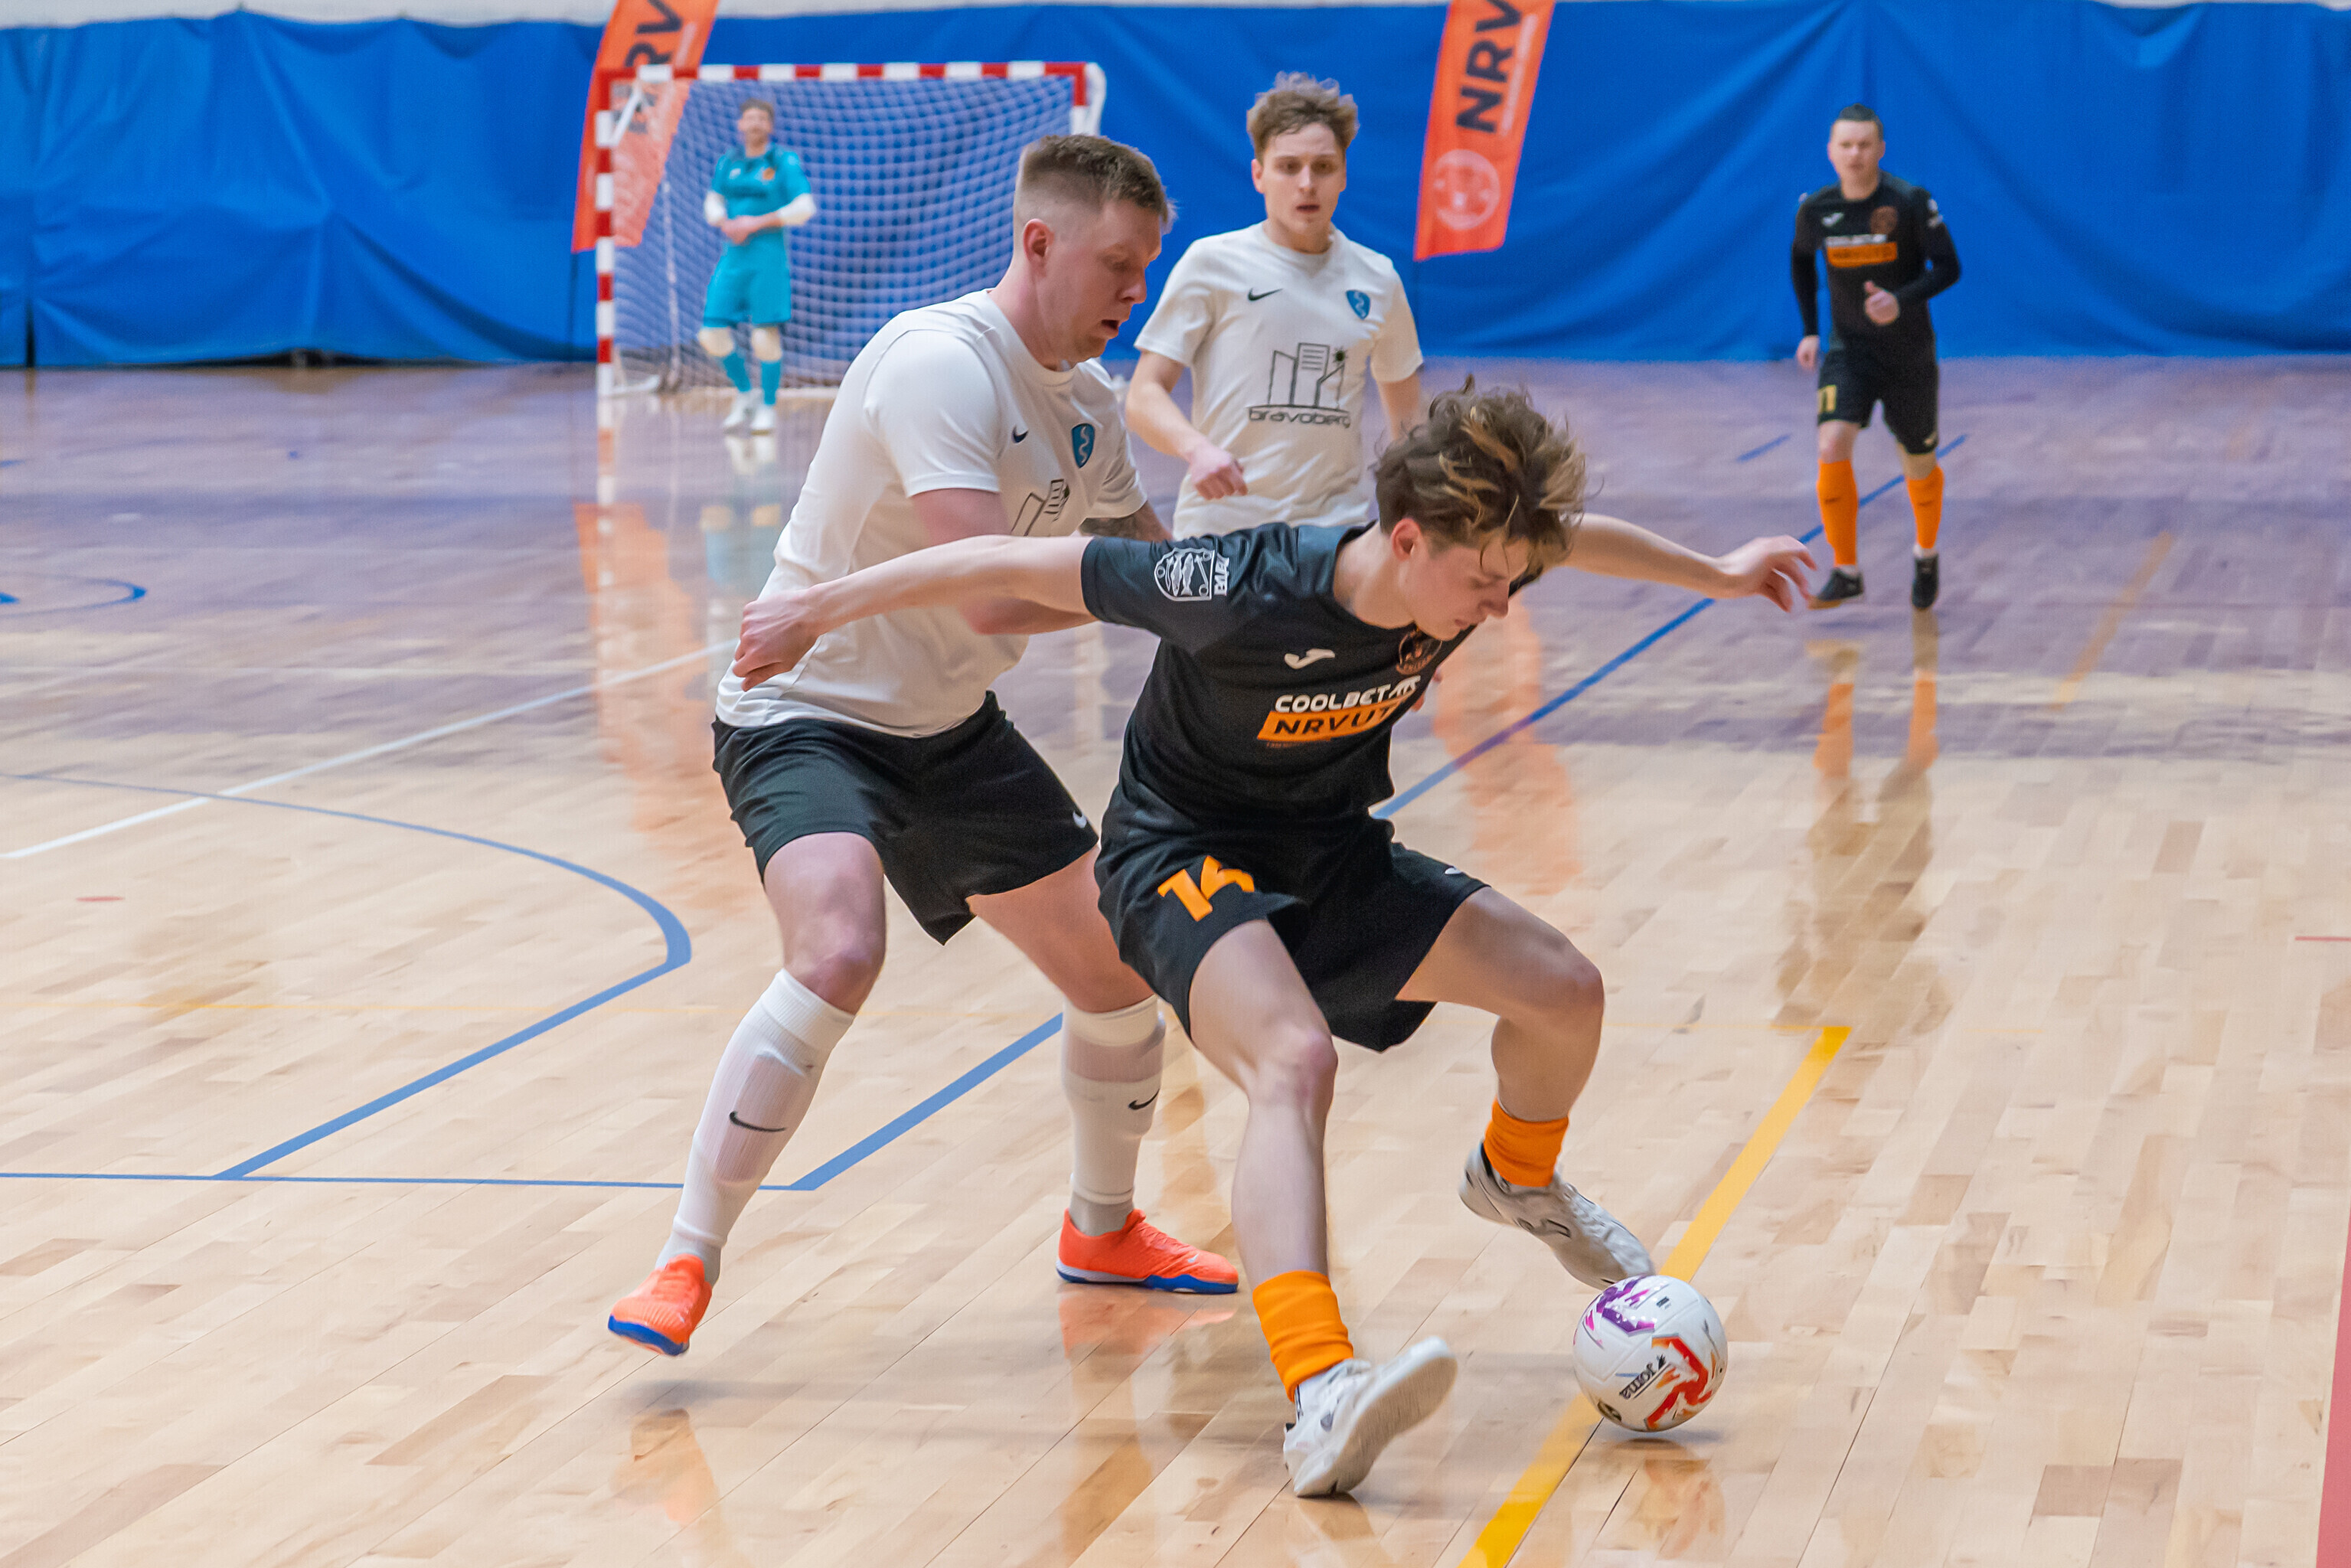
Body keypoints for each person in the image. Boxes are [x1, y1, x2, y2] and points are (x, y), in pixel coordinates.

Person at [730, 384, 1814, 1496]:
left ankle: (1515, 1176)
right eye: (1484, 582)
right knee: (1291, 1060)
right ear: (1406, 539)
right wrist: (814, 609)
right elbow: (1003, 561)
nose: (1499, 607)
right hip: (1178, 857)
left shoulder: (1475, 556)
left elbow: (1571, 540)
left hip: (1327, 851)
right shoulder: (1236, 587)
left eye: (1512, 579)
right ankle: (1320, 1389)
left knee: (1562, 990)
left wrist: (1721, 572)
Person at [608, 135, 1238, 1362]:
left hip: (948, 733)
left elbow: (1152, 564)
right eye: (1118, 263)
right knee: (840, 948)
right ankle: (686, 1255)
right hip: (805, 714)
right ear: (1039, 243)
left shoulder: (1087, 403)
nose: (1136, 290)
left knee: (1119, 975)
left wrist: (1265, 605)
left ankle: (1102, 1231)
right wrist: (1163, 587)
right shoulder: (940, 364)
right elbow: (990, 596)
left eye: (1146, 265)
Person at [1126, 74, 1423, 537]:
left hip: (1332, 536)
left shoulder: (1378, 279)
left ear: (1344, 175)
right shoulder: (1211, 263)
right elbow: (1143, 395)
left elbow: (1410, 430)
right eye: (1289, 167)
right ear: (1259, 175)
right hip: (1220, 530)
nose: (1307, 184)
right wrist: (1196, 449)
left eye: (1323, 167)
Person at [1791, 103, 1961, 609]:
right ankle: (1846, 570)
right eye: (1845, 145)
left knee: (1918, 460)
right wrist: (1809, 331)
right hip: (1850, 350)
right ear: (1830, 151)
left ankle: (1925, 554)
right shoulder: (1816, 209)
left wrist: (1900, 301)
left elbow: (1948, 267)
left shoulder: (1909, 201)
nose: (1855, 154)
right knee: (1830, 443)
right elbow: (1800, 260)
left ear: (1880, 149)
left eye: (1864, 145)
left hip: (1908, 354)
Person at [700, 99, 815, 436]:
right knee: (711, 332)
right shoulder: (729, 161)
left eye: (761, 118)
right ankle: (744, 392)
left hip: (768, 259)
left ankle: (768, 405)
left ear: (770, 126)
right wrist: (723, 222)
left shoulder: (782, 161)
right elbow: (714, 199)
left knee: (764, 335)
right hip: (733, 258)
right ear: (739, 124)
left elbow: (804, 206)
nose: (755, 123)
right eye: (749, 118)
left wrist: (755, 222)